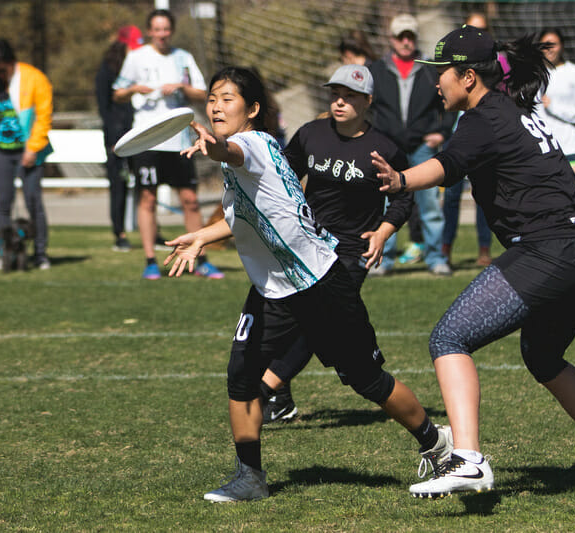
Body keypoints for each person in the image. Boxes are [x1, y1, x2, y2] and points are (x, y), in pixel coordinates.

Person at [164, 66, 453, 502]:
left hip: (322, 280)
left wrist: (216, 146)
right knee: (240, 376)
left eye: (228, 99)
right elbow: (247, 211)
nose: (217, 105)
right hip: (272, 288)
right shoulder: (293, 142)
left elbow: (233, 152)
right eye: (212, 98)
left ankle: (437, 443)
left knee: (366, 379)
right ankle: (250, 476)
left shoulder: (254, 143)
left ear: (254, 109)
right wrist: (202, 237)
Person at [375, 26, 575, 498]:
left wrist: (399, 180)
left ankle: (470, 461)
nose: (436, 82)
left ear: (470, 77)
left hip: (550, 250)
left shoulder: (483, 118)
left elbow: (447, 166)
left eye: (443, 73)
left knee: (449, 337)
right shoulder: (512, 108)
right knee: (542, 355)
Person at [259, 64, 414, 424]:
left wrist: (382, 233)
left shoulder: (384, 147)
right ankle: (281, 397)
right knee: (290, 315)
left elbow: (404, 199)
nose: (340, 102)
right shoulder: (311, 134)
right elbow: (285, 177)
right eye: (335, 94)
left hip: (351, 251)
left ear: (368, 101)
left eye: (350, 96)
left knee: (319, 320)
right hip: (307, 242)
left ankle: (266, 388)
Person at [112, 9, 223, 280]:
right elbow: (117, 94)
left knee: (190, 200)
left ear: (171, 31)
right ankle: (151, 260)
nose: (162, 34)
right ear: (150, 31)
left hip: (179, 140)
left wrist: (182, 88)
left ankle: (201, 257)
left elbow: (202, 93)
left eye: (166, 29)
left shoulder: (183, 58)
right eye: (157, 29)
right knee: (147, 198)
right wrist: (133, 90)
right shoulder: (136, 58)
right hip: (147, 141)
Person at [369, 13, 456, 276]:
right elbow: (365, 106)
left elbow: (450, 102)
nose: (406, 42)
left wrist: (441, 131)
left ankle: (435, 257)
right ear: (392, 39)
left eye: (410, 36)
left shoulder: (431, 69)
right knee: (384, 204)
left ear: (415, 39)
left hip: (422, 147)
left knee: (429, 203)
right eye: (400, 36)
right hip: (387, 148)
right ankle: (383, 259)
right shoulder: (375, 70)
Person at [0, 39, 53, 270]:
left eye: (1, 70)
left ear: (10, 63)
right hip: (0, 152)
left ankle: (40, 253)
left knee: (32, 201)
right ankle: (4, 254)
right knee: (3, 204)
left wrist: (32, 148)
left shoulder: (35, 78)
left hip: (30, 151)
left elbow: (43, 117)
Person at [441, 13, 494, 267]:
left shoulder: (493, 71)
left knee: (483, 194)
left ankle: (485, 248)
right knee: (450, 197)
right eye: (472, 29)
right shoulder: (451, 68)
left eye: (482, 29)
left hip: (481, 141)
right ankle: (445, 248)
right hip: (454, 137)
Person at [95, 25, 143, 252]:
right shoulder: (107, 70)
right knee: (119, 186)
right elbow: (104, 107)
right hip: (117, 138)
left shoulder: (140, 66)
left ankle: (151, 230)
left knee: (146, 184)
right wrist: (114, 138)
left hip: (140, 133)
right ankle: (120, 233)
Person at [537, 28, 575, 187]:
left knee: (572, 200)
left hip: (568, 146)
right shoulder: (532, 75)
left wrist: (555, 107)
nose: (549, 49)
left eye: (553, 44)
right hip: (539, 149)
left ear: (562, 46)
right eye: (544, 45)